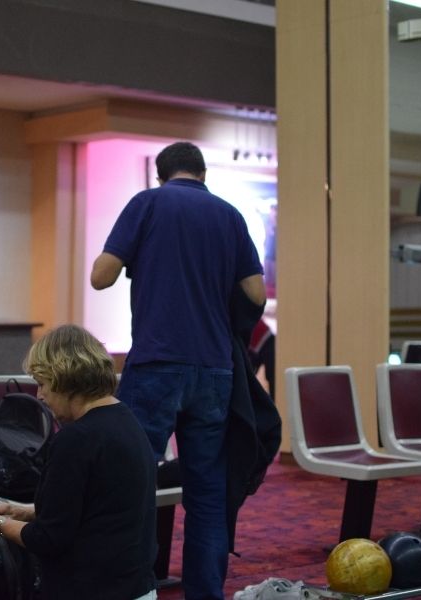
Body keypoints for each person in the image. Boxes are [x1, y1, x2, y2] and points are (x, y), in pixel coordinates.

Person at [90, 141, 266, 600]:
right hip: (214, 370)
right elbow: (256, 294)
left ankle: (132, 589)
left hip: (155, 366)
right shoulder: (229, 215)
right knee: (207, 495)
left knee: (131, 485)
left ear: (161, 175)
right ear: (202, 174)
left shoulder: (147, 204)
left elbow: (101, 276)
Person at [0, 324, 157, 600]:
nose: (39, 395)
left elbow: (47, 539)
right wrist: (27, 512)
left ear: (65, 377)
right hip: (136, 587)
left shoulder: (76, 439)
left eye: (42, 384)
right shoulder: (125, 420)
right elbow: (99, 508)